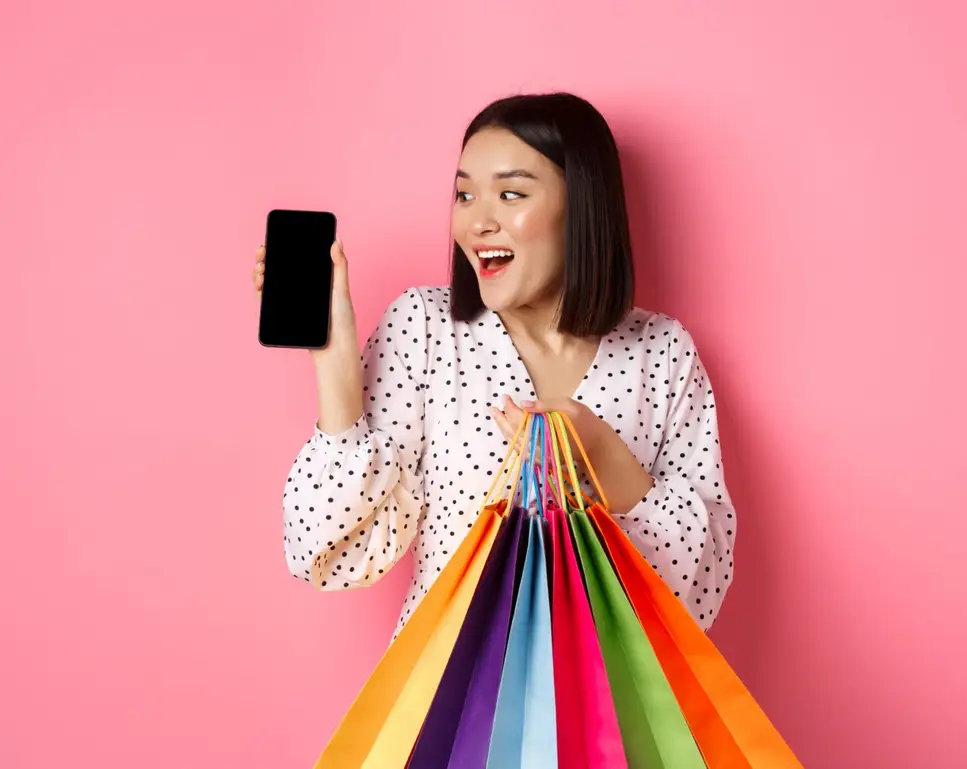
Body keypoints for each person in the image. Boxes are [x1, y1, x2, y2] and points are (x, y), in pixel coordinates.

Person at [253, 92, 735, 638]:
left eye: (510, 194)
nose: (477, 222)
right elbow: (326, 553)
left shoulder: (661, 352)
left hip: (610, 694)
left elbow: (700, 591)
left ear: (583, 207)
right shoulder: (425, 329)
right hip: (447, 689)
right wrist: (335, 363)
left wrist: (598, 456)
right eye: (464, 195)